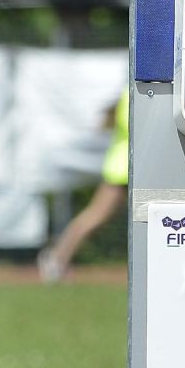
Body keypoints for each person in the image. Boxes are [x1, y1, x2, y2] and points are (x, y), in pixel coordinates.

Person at [38, 89, 127, 283]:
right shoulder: (135, 95)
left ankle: (58, 258)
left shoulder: (127, 94)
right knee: (94, 217)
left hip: (125, 168)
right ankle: (57, 258)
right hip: (123, 170)